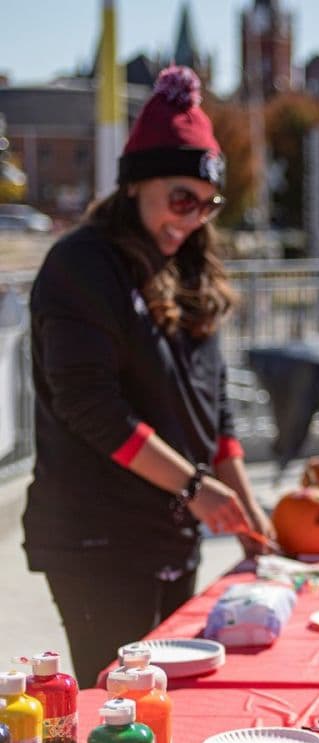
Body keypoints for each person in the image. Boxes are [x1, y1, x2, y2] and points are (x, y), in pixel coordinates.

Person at [22, 66, 275, 686]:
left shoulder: (190, 267)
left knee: (173, 697)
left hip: (171, 532)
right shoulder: (81, 264)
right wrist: (194, 487)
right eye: (181, 198)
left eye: (208, 204)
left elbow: (213, 408)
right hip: (97, 537)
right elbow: (90, 407)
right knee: (121, 703)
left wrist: (243, 503)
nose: (192, 218)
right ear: (135, 183)